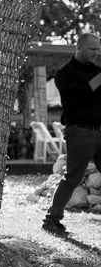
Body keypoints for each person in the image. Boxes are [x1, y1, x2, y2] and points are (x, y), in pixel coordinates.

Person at [43, 33, 101, 234]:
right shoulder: (65, 73)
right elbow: (75, 95)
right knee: (73, 178)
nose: (97, 52)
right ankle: (51, 220)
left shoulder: (96, 71)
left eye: (98, 49)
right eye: (93, 49)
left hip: (99, 131)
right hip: (79, 132)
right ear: (80, 48)